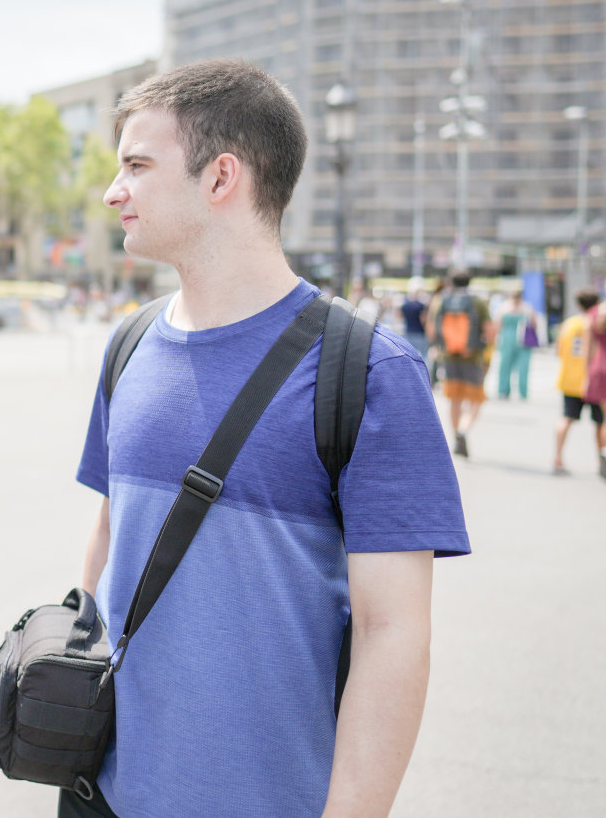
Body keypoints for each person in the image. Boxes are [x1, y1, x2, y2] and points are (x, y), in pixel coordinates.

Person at [73, 59, 469, 818]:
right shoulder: (128, 346)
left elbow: (394, 631)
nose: (112, 190)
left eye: (136, 165)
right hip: (103, 795)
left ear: (221, 177)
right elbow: (110, 533)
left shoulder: (371, 375)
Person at [428, 270, 493, 458]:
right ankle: (464, 430)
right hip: (472, 357)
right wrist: (485, 351)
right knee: (476, 400)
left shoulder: (441, 301)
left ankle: (456, 434)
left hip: (448, 356)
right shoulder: (477, 302)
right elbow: (489, 330)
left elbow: (431, 330)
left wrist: (439, 347)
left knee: (454, 400)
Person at [553, 291, 603, 476]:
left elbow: (559, 349)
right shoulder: (597, 323)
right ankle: (601, 460)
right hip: (594, 379)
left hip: (570, 378)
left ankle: (557, 457)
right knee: (599, 422)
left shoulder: (569, 323)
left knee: (567, 417)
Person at [494, 290, 540, 401]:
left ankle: (522, 392)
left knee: (523, 367)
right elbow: (498, 324)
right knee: (505, 366)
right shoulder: (504, 307)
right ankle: (503, 390)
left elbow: (534, 323)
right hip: (507, 339)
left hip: (523, 340)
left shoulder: (527, 307)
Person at [583, 297, 606, 480]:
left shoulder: (594, 314)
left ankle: (602, 459)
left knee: (602, 420)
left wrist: (586, 377)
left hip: (599, 367)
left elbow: (588, 349)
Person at [399, 289, 429, 362]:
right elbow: (423, 320)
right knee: (424, 356)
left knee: (410, 356)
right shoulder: (420, 306)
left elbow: (400, 316)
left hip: (409, 333)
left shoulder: (405, 306)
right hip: (420, 333)